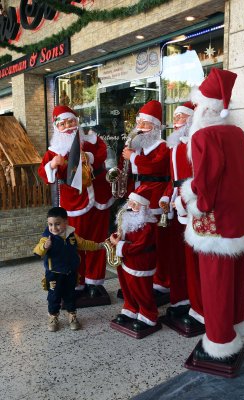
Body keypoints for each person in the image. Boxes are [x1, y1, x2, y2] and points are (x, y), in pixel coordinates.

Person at [180, 67, 244, 371]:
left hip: (216, 219)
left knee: (215, 281)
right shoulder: (235, 132)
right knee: (234, 276)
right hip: (240, 218)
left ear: (204, 106)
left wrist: (191, 199)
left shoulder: (204, 134)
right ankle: (236, 327)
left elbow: (207, 181)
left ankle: (218, 342)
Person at [38, 106, 114, 306]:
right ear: (57, 127)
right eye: (62, 124)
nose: (68, 127)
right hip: (74, 202)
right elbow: (44, 174)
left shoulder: (91, 140)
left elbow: (103, 152)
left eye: (71, 122)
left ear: (77, 122)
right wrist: (53, 165)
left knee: (98, 241)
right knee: (75, 243)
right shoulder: (53, 151)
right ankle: (78, 282)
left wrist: (87, 157)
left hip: (99, 197)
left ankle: (95, 282)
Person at [159, 101, 204, 333]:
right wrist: (167, 197)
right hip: (177, 208)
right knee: (179, 259)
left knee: (194, 261)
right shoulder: (174, 146)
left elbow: (200, 179)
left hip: (192, 208)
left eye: (181, 116)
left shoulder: (195, 144)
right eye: (175, 116)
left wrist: (184, 202)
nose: (176, 120)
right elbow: (172, 179)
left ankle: (200, 310)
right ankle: (181, 301)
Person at [122, 100, 171, 299]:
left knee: (157, 241)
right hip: (140, 196)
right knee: (143, 239)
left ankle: (161, 281)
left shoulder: (162, 147)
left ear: (156, 127)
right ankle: (145, 277)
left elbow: (155, 167)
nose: (140, 129)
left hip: (155, 197)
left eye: (145, 124)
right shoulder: (141, 148)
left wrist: (133, 157)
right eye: (139, 124)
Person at [33, 207, 104, 332]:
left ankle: (72, 315)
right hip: (54, 275)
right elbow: (37, 251)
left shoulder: (72, 235)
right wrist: (44, 246)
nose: (53, 228)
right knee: (54, 296)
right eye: (50, 224)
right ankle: (53, 317)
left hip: (70, 273)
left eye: (57, 224)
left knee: (70, 295)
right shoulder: (47, 238)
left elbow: (84, 243)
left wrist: (99, 245)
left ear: (65, 222)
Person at [110, 187, 159, 332]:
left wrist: (119, 245)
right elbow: (123, 232)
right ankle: (131, 309)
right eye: (130, 202)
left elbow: (140, 245)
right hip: (127, 259)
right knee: (127, 286)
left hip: (140, 262)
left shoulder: (148, 224)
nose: (131, 206)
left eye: (135, 204)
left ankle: (148, 316)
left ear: (143, 207)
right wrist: (117, 237)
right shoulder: (127, 216)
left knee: (141, 289)